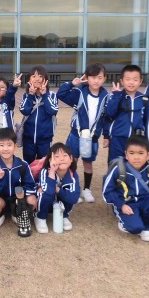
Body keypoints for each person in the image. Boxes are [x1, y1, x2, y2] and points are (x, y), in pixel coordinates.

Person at [57, 63, 109, 203]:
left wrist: (106, 135)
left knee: (88, 163)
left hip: (92, 137)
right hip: (76, 134)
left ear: (104, 78)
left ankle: (86, 189)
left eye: (99, 77)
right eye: (93, 77)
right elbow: (61, 94)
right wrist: (72, 84)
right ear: (87, 78)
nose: (96, 81)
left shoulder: (106, 97)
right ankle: (71, 187)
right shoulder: (79, 92)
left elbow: (107, 118)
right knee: (71, 161)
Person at [103, 136, 149, 242]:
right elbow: (107, 191)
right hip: (126, 203)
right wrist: (121, 205)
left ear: (148, 155)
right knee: (135, 228)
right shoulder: (119, 170)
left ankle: (146, 227)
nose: (136, 157)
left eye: (140, 153)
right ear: (126, 155)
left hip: (144, 199)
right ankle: (128, 223)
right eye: (132, 153)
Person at [0, 128, 36, 231]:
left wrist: (21, 192)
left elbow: (31, 185)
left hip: (17, 198)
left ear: (15, 146)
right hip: (1, 199)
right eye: (1, 145)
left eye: (9, 145)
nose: (5, 149)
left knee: (32, 200)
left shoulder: (23, 165)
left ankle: (17, 213)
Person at [105, 64, 149, 163]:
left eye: (135, 79)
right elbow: (109, 114)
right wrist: (116, 96)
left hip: (137, 140)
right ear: (122, 81)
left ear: (140, 81)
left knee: (134, 164)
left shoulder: (144, 99)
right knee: (116, 164)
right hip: (118, 138)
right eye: (128, 79)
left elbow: (148, 122)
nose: (131, 82)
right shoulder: (115, 96)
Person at [34, 142, 81, 234]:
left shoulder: (73, 174)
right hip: (47, 203)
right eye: (57, 156)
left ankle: (64, 215)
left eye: (65, 155)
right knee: (44, 193)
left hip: (59, 202)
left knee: (70, 194)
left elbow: (74, 198)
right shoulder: (45, 171)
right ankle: (40, 217)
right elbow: (49, 192)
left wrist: (57, 189)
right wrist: (52, 171)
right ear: (50, 160)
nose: (62, 159)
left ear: (71, 159)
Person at [18, 65, 59, 164]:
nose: (37, 79)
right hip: (28, 139)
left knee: (44, 164)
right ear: (29, 80)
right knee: (28, 164)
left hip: (45, 139)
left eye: (40, 76)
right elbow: (24, 111)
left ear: (46, 79)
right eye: (34, 76)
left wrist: (44, 95)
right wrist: (30, 95)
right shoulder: (26, 96)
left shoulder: (52, 95)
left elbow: (52, 111)